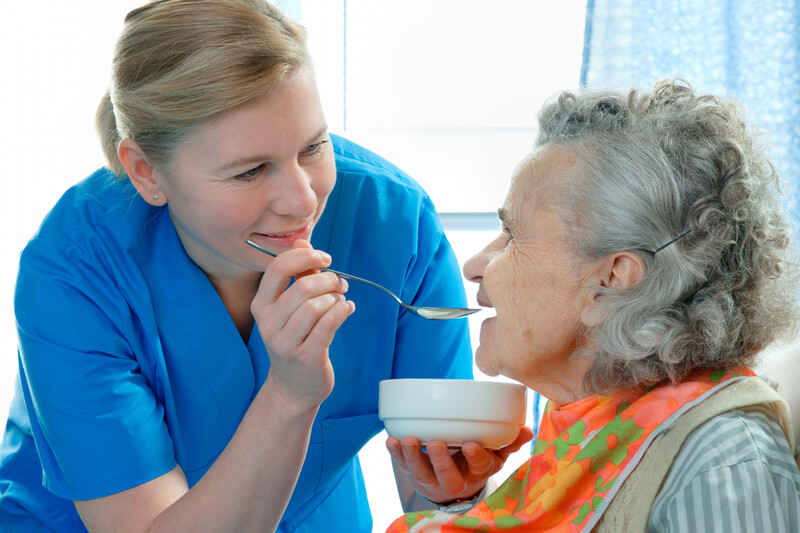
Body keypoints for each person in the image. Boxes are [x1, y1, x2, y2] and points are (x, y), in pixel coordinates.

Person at [0, 1, 530, 531]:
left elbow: (432, 483)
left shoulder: (395, 226)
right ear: (145, 172)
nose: (303, 202)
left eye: (313, 146)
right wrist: (290, 393)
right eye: (250, 171)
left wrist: (453, 491)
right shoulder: (73, 274)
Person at [387, 79, 800, 532]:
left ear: (611, 281)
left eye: (512, 235)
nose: (475, 265)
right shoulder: (590, 429)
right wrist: (459, 501)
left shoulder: (723, 458)